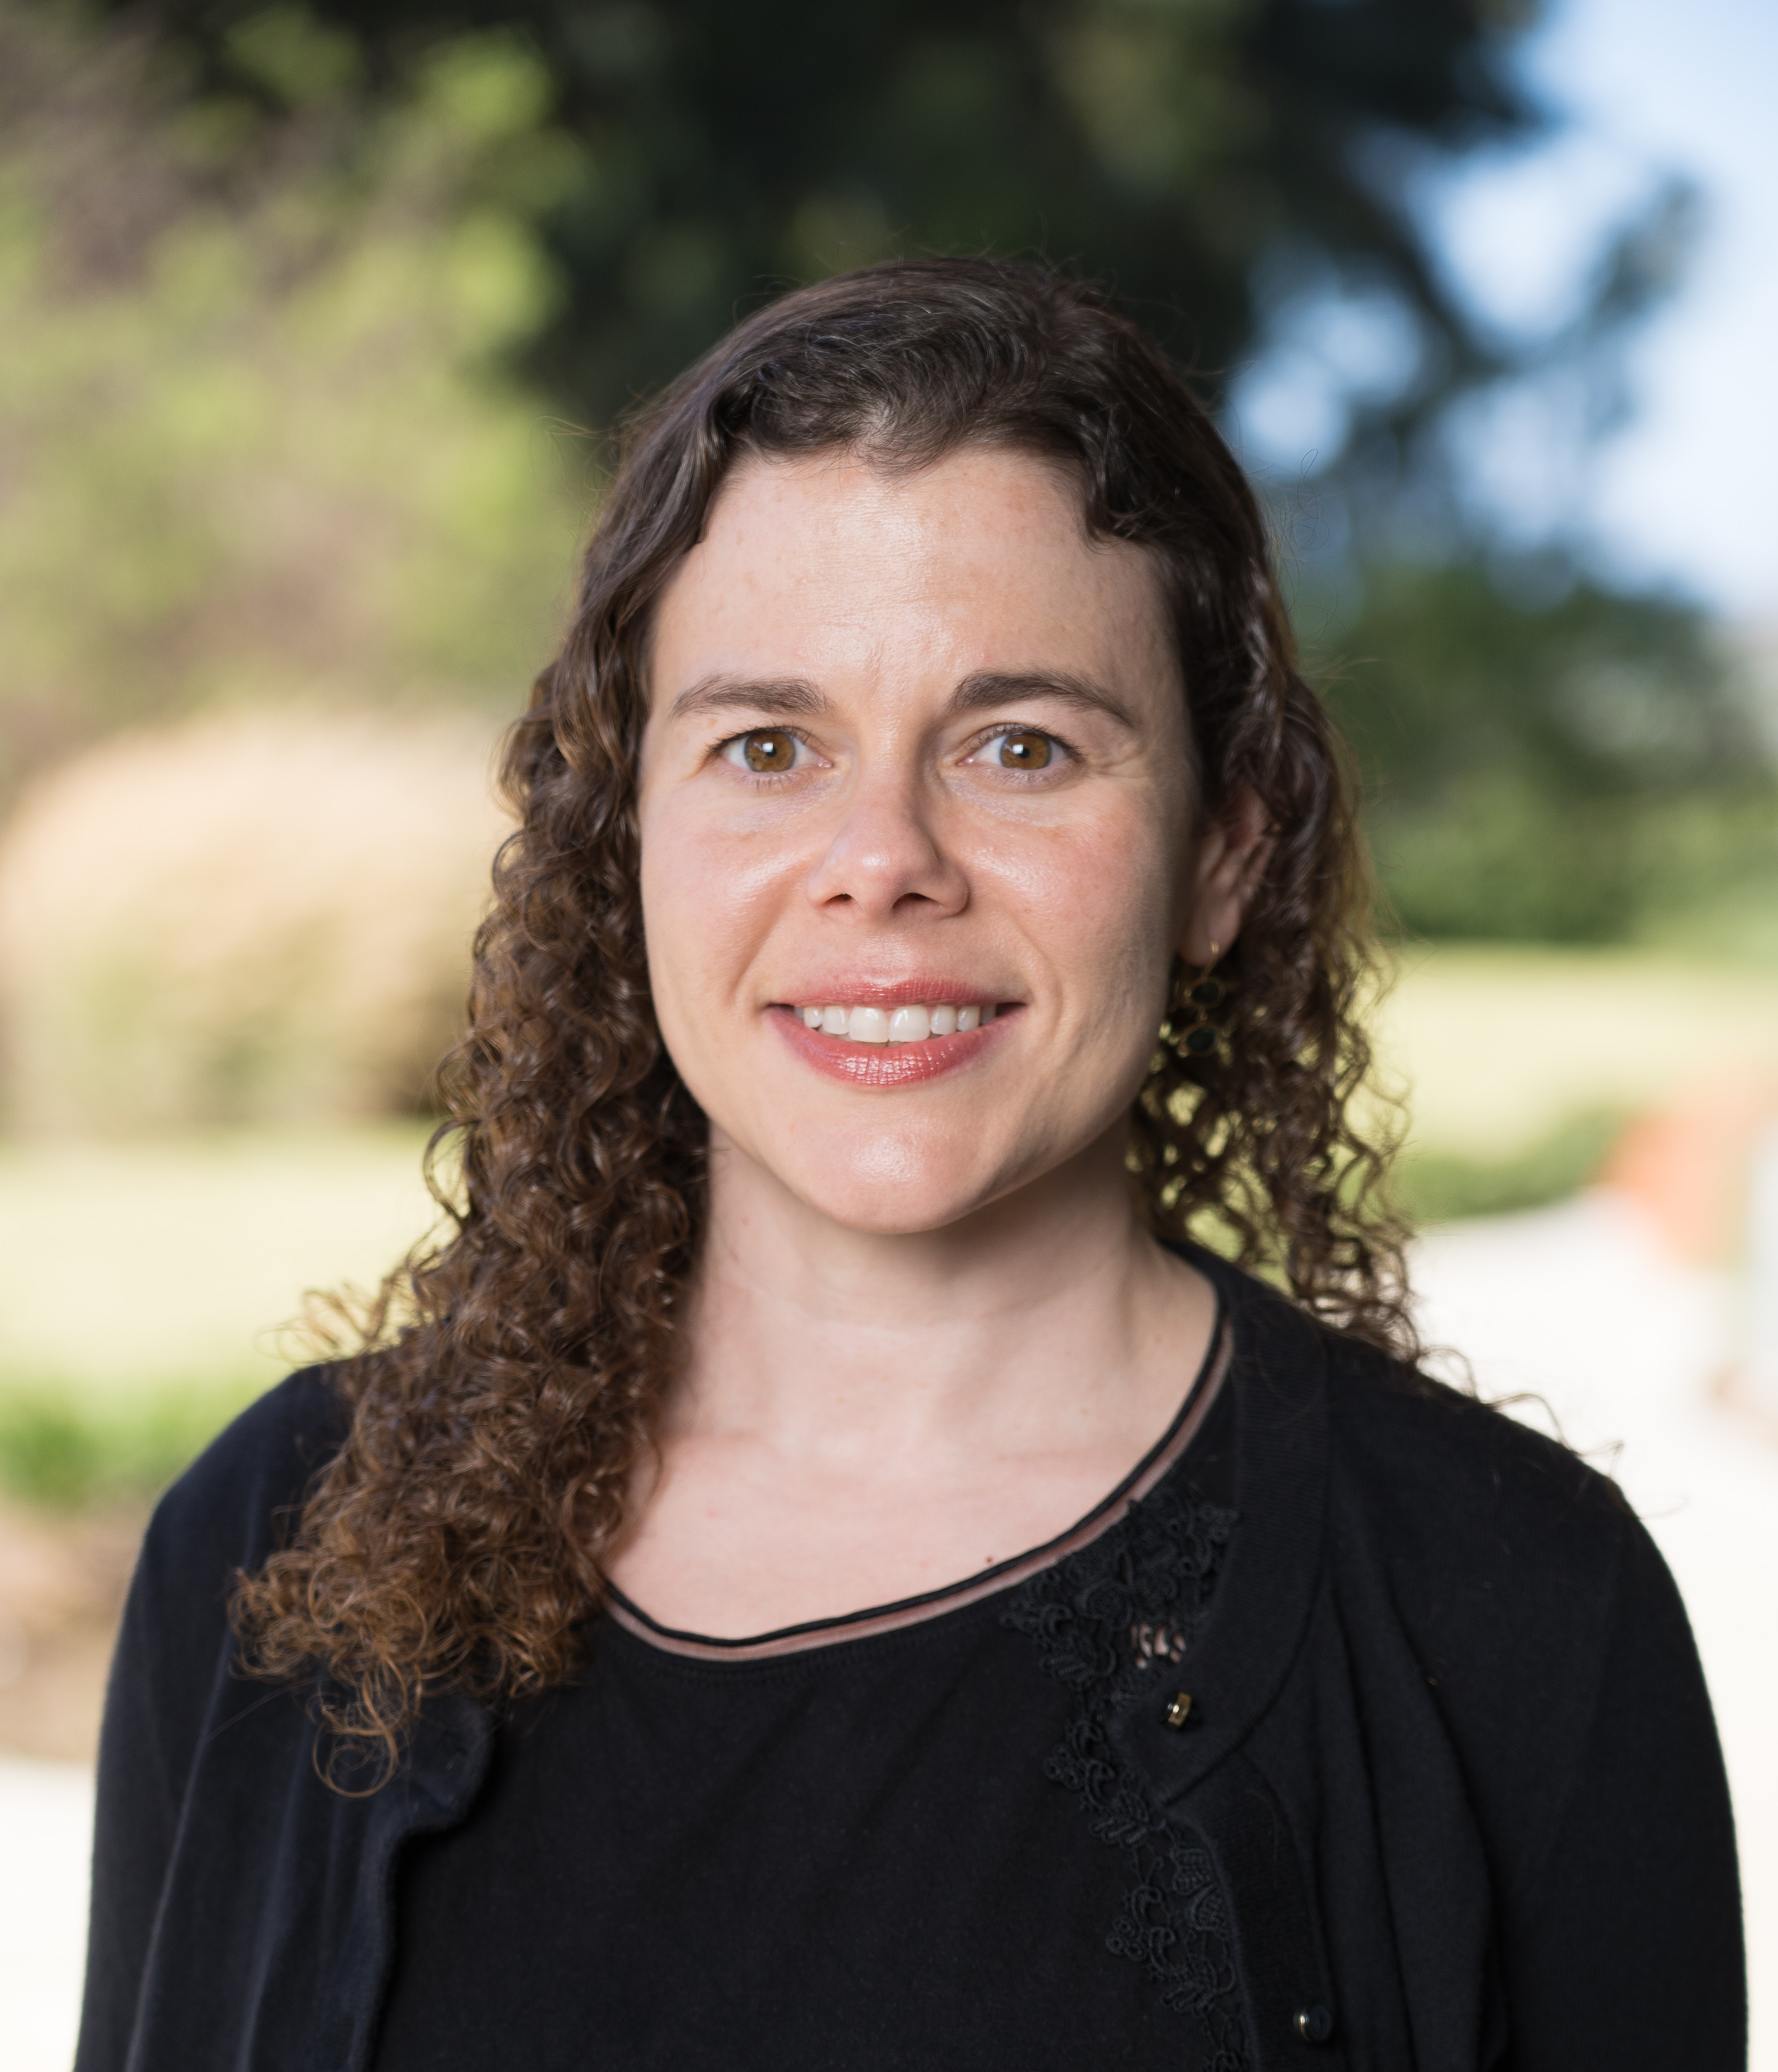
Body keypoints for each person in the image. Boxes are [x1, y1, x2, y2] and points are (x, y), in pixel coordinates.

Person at [76, 259, 1742, 2072]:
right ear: (624, 838)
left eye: (1018, 745)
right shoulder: (286, 1545)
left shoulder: (1513, 1615)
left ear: (1217, 855)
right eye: (767, 745)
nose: (882, 859)